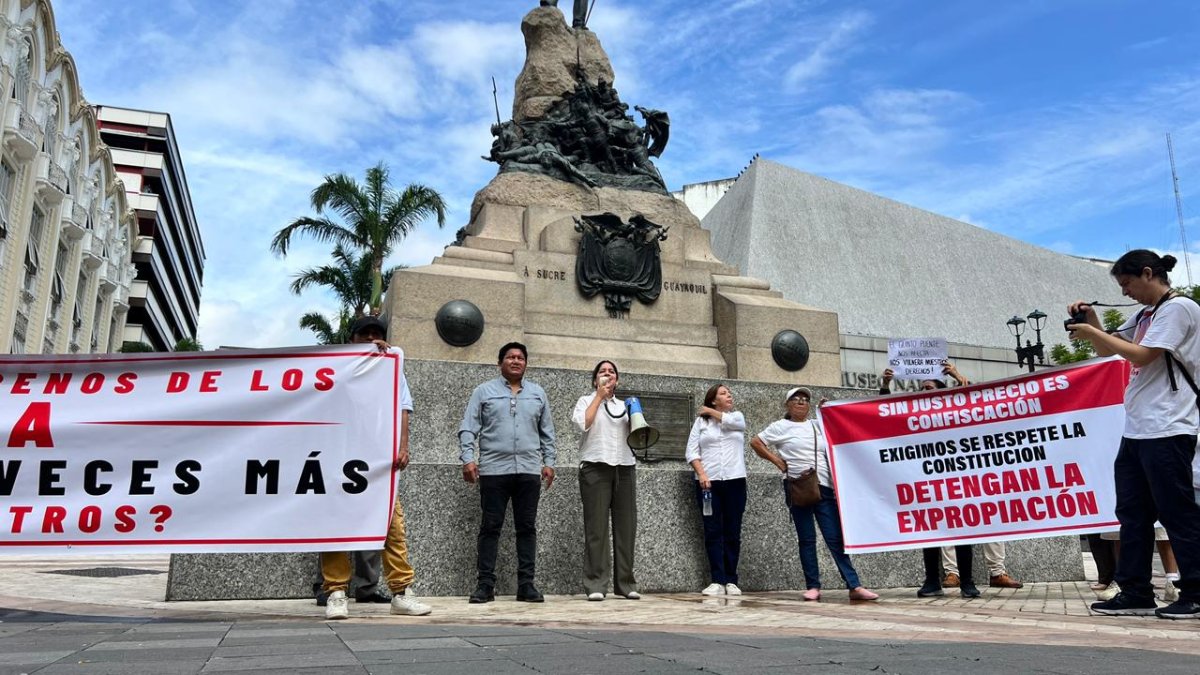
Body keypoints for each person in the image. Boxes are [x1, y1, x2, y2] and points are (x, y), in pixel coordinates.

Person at [1069, 249, 1200, 619]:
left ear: (1147, 273)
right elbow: (1109, 349)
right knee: (1132, 513)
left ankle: (1195, 590)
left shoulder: (1178, 309)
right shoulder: (1146, 314)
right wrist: (1092, 322)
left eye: (1128, 284)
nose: (1126, 293)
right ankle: (1136, 591)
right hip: (1139, 429)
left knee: (1177, 512)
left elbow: (1141, 356)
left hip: (1170, 425)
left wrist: (1096, 330)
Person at [320, 315, 432, 620]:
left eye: (376, 334)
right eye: (364, 334)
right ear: (351, 339)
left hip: (378, 460)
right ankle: (336, 592)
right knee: (335, 525)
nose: (371, 338)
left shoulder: (390, 367)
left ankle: (401, 591)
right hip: (338, 458)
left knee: (392, 526)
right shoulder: (334, 367)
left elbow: (403, 407)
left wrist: (403, 446)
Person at [750, 387, 879, 602]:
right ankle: (813, 585)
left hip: (824, 486)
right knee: (807, 538)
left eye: (805, 399)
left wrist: (826, 412)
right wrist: (778, 462)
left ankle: (854, 585)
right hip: (798, 486)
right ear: (787, 405)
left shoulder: (816, 425)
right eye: (796, 399)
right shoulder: (780, 426)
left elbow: (842, 428)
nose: (801, 402)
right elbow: (756, 442)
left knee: (835, 537)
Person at [459, 342, 558, 604]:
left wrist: (549, 462)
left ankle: (526, 585)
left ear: (526, 363)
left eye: (520, 358)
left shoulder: (538, 393)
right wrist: (468, 458)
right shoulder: (483, 391)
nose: (516, 361)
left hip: (528, 471)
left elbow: (547, 433)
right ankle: (485, 586)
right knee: (490, 528)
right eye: (510, 357)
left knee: (527, 528)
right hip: (493, 471)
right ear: (500, 362)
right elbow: (468, 428)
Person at [881, 363, 980, 599]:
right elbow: (882, 412)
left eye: (930, 387)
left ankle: (967, 581)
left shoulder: (952, 411)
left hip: (954, 477)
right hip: (925, 479)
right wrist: (885, 385)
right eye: (923, 388)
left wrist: (957, 374)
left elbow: (971, 398)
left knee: (963, 529)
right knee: (930, 530)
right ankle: (932, 581)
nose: (926, 392)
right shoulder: (913, 413)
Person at [573, 360, 640, 601]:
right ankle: (596, 585)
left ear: (617, 380)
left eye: (612, 372)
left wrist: (637, 415)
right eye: (602, 372)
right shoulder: (585, 401)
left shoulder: (626, 405)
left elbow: (638, 435)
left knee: (626, 528)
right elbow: (584, 423)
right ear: (595, 380)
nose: (607, 374)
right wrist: (599, 397)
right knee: (597, 529)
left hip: (624, 467)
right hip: (595, 466)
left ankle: (626, 583)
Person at [685, 383, 747, 595]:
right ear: (713, 399)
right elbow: (691, 452)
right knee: (712, 530)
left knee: (732, 530)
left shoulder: (737, 417)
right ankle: (717, 579)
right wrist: (702, 474)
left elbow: (733, 422)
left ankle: (731, 579)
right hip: (707, 483)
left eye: (730, 393)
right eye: (723, 393)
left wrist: (710, 411)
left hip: (735, 481)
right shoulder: (701, 423)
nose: (729, 396)